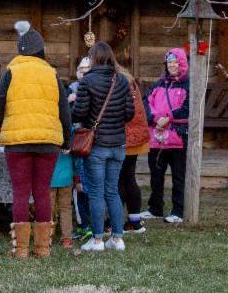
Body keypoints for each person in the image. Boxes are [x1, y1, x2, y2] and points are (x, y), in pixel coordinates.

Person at [0, 21, 70, 259]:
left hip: (18, 141)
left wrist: (4, 121)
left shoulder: (11, 72)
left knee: (21, 192)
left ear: (20, 49)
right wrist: (66, 140)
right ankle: (43, 249)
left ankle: (21, 249)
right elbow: (64, 110)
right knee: (42, 191)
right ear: (41, 50)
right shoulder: (52, 74)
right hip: (48, 141)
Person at [71, 41, 135, 252]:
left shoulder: (87, 81)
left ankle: (97, 240)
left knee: (96, 192)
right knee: (113, 191)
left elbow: (79, 113)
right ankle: (117, 238)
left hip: (97, 145)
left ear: (94, 58)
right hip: (118, 144)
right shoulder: (123, 81)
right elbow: (129, 114)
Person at [142, 47, 190, 224]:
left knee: (178, 176)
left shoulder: (188, 85)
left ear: (182, 63)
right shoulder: (158, 83)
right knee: (156, 175)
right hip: (156, 138)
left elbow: (188, 108)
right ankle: (155, 208)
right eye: (169, 62)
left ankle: (178, 210)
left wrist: (168, 118)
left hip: (178, 137)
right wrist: (155, 118)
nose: (172, 65)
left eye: (175, 62)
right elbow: (146, 102)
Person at [120, 69, 151, 234]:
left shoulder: (119, 81)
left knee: (120, 180)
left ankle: (115, 221)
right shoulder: (129, 80)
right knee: (129, 178)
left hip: (126, 137)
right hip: (135, 135)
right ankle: (134, 221)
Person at [49, 124, 75, 249]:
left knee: (48, 208)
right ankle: (66, 238)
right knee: (66, 208)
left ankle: (48, 236)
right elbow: (75, 155)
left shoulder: (47, 128)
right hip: (66, 174)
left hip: (48, 175)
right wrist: (76, 174)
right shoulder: (69, 129)